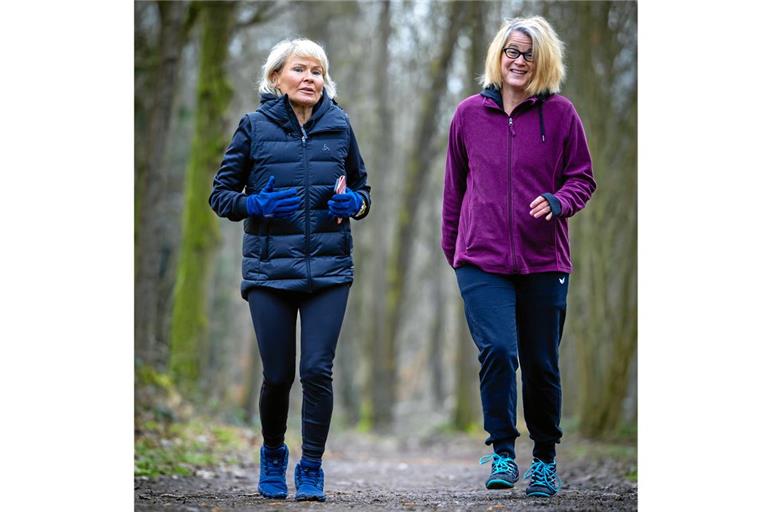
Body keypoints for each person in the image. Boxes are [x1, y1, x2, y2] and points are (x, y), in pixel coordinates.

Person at [209, 38, 371, 502]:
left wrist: (355, 203)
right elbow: (220, 195)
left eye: (318, 71)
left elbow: (363, 188)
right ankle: (274, 453)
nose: (310, 79)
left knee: (317, 371)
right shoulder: (254, 127)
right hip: (268, 273)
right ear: (276, 76)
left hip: (329, 270)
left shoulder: (339, 125)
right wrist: (253, 203)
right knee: (278, 375)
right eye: (300, 69)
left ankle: (313, 467)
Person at [441, 16, 596, 498]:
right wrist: (456, 252)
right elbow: (453, 190)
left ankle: (545, 459)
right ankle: (503, 452)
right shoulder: (468, 114)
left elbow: (583, 179)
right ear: (498, 55)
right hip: (481, 261)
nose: (519, 61)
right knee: (499, 352)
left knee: (541, 362)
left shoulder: (563, 115)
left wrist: (559, 201)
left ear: (543, 62)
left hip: (544, 261)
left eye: (529, 54)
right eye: (512, 51)